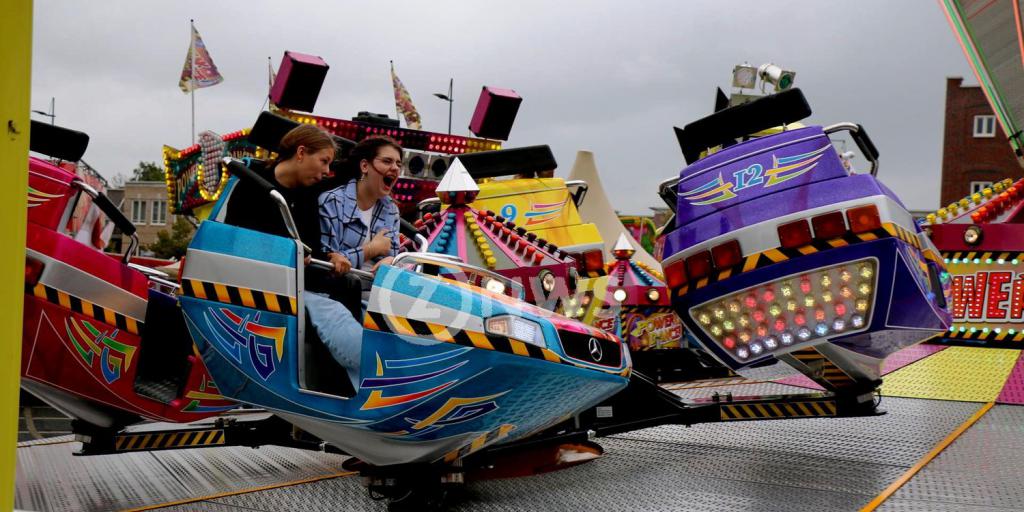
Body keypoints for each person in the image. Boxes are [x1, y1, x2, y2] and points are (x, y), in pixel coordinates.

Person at [223, 124, 363, 390]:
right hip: (265, 285)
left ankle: (354, 384)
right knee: (332, 312)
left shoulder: (307, 195)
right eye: (323, 161)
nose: (326, 171)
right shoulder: (252, 188)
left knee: (353, 290)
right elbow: (239, 245)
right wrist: (287, 253)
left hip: (300, 281)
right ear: (301, 153)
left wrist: (330, 256)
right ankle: (367, 368)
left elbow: (310, 246)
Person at [319, 136, 403, 278]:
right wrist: (371, 249)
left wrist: (392, 261)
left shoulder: (391, 210)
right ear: (364, 166)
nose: (395, 168)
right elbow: (328, 262)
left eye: (398, 164)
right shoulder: (332, 201)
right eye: (387, 161)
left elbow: (392, 257)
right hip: (338, 286)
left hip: (376, 287)